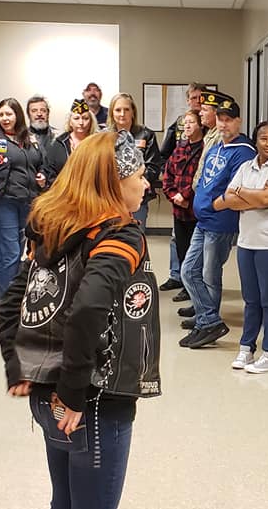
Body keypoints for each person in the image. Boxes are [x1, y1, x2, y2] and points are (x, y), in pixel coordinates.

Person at [0, 131, 159, 509]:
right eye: (139, 175)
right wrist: (72, 393)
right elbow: (87, 310)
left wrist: (17, 364)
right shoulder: (119, 236)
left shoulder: (55, 227)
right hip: (93, 398)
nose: (146, 184)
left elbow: (12, 301)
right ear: (114, 182)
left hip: (48, 387)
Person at [180, 91, 255, 349]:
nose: (223, 124)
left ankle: (207, 323)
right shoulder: (216, 147)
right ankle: (207, 318)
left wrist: (213, 205)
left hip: (220, 223)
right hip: (203, 221)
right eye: (220, 119)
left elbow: (236, 190)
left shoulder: (243, 151)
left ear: (238, 121)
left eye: (228, 119)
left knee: (209, 275)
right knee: (189, 271)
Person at [223, 121, 268, 374]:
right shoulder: (246, 166)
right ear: (256, 140)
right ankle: (246, 348)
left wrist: (243, 193)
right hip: (246, 242)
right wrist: (256, 197)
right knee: (251, 300)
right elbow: (228, 200)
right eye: (263, 138)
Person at [0, 98, 43, 294]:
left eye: (9, 114)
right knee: (10, 253)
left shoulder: (29, 139)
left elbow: (41, 162)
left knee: (18, 252)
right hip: (1, 202)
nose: (5, 118)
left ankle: (14, 298)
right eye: (1, 114)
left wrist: (42, 175)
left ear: (18, 115)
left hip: (26, 201)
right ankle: (6, 303)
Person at [159, 83, 204, 292]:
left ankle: (193, 285)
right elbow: (166, 165)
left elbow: (200, 176)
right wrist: (173, 194)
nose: (187, 126)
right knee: (179, 244)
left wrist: (185, 196)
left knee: (197, 251)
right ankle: (179, 279)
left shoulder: (208, 138)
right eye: (193, 98)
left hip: (195, 206)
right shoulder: (179, 138)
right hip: (178, 206)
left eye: (191, 123)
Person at [108, 93, 162, 224]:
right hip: (110, 196)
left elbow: (153, 166)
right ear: (112, 113)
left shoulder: (146, 134)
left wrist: (134, 183)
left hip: (137, 197)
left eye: (126, 109)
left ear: (133, 112)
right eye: (118, 110)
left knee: (135, 232)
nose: (122, 114)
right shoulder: (104, 136)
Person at [43, 99, 97, 187]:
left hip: (91, 190)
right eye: (76, 118)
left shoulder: (97, 143)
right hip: (63, 191)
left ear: (91, 121)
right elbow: (50, 171)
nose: (81, 122)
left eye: (85, 118)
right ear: (70, 122)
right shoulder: (59, 143)